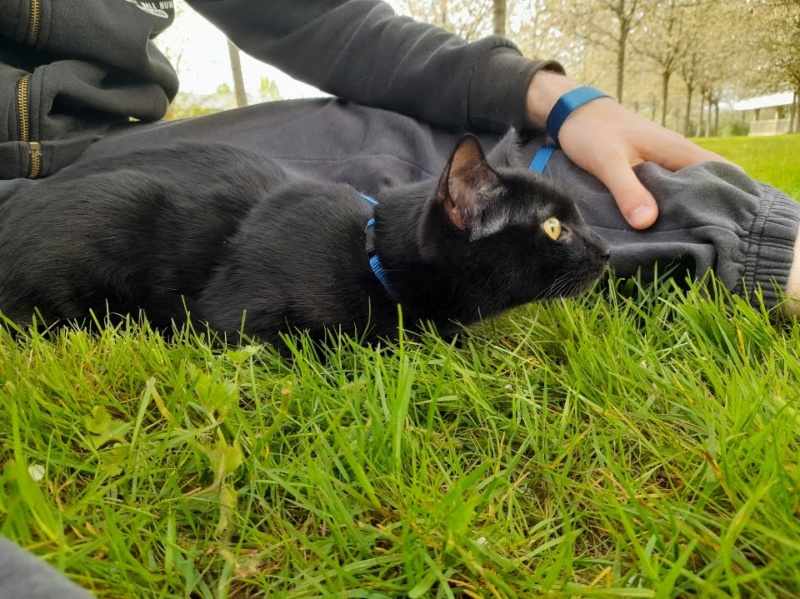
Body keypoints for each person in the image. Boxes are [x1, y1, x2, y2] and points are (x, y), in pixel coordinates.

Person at [0, 1, 798, 595]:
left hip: (129, 134)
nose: (581, 250)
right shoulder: (324, 290)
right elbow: (225, 318)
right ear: (462, 226)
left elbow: (324, 20)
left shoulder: (412, 244)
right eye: (564, 237)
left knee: (482, 135)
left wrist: (555, 97)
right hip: (36, 201)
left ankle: (774, 248)